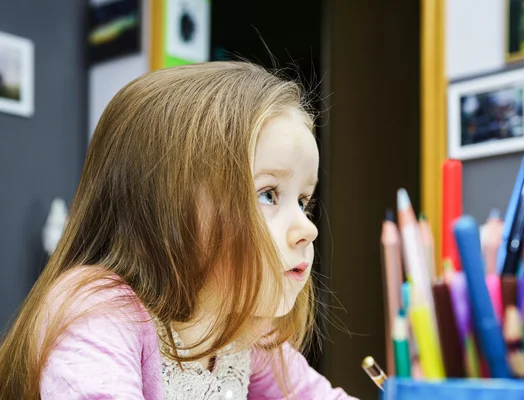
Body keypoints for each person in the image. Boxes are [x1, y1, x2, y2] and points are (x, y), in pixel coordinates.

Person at [0, 62, 358, 400]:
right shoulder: (99, 312)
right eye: (268, 194)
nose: (308, 228)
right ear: (166, 203)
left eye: (303, 201)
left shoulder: (242, 324)